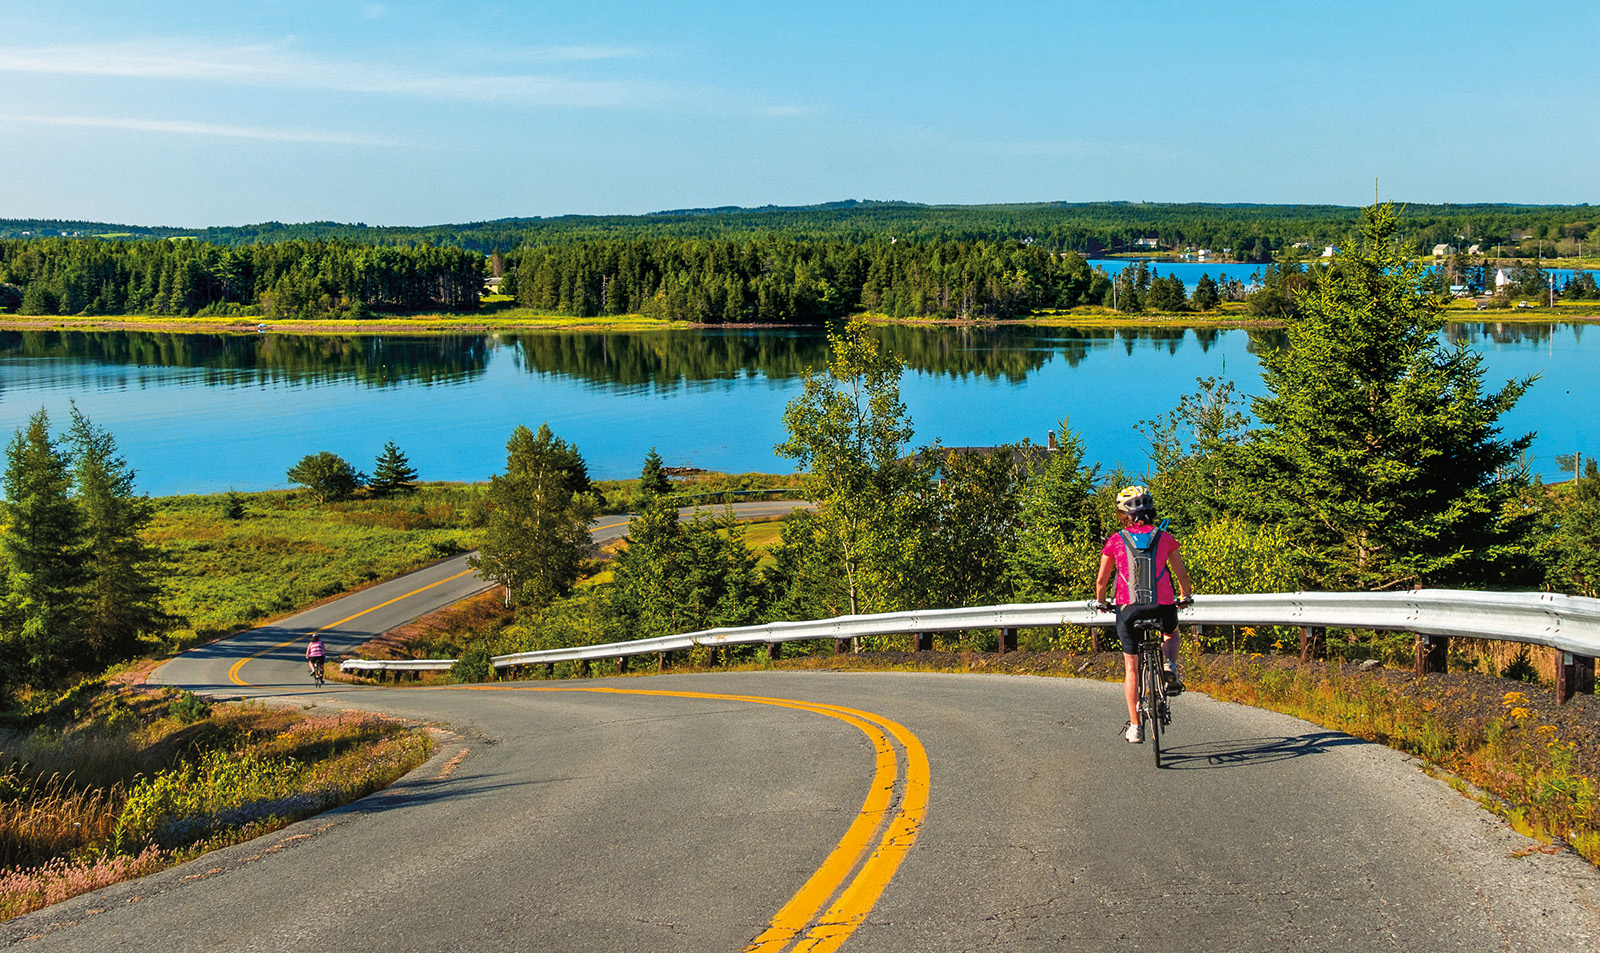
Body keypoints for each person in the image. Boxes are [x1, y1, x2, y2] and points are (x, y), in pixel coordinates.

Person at [1093, 485, 1193, 744]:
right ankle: (1169, 664)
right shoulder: (1165, 537)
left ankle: (1136, 726)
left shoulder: (1115, 540)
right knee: (1170, 631)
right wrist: (1185, 597)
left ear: (1123, 515)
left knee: (1131, 668)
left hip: (1128, 608)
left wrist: (1102, 603)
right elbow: (1182, 574)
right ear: (1150, 511)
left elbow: (1102, 581)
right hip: (1163, 605)